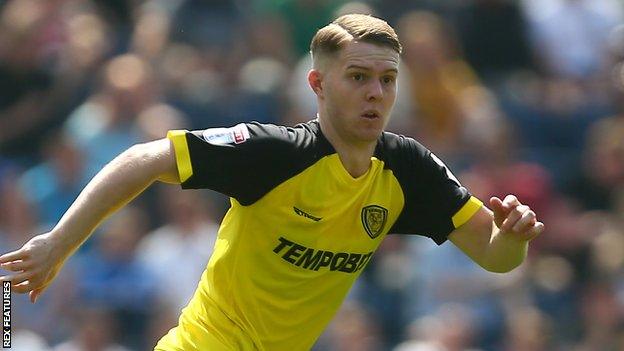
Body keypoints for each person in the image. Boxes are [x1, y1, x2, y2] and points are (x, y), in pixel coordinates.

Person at [0, 14, 544, 351]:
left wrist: (513, 239)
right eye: (358, 77)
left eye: (386, 79)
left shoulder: (409, 170)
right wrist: (58, 244)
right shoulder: (276, 153)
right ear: (318, 84)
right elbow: (145, 157)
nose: (375, 92)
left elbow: (495, 257)